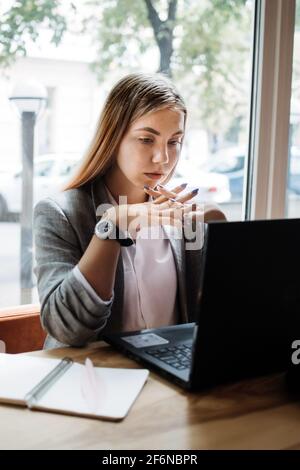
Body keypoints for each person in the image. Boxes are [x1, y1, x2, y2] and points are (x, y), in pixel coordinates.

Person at [33, 72, 226, 349]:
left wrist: (221, 235)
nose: (163, 158)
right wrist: (112, 225)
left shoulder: (183, 217)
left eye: (173, 142)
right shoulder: (59, 213)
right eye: (147, 139)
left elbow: (215, 315)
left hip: (166, 380)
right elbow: (67, 329)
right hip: (91, 380)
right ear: (113, 138)